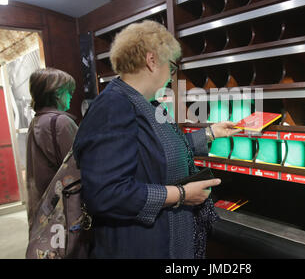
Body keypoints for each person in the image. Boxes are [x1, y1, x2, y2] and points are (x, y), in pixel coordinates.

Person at [73, 20, 241, 259]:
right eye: (171, 67)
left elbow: (156, 153)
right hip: (138, 247)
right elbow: (106, 194)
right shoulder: (113, 107)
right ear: (152, 61)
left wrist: (210, 133)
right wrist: (181, 195)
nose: (171, 75)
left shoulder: (144, 103)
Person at [26, 68, 77, 231]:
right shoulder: (61, 122)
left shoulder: (36, 122)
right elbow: (79, 165)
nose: (70, 96)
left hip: (42, 207)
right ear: (57, 93)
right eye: (68, 92)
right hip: (65, 207)